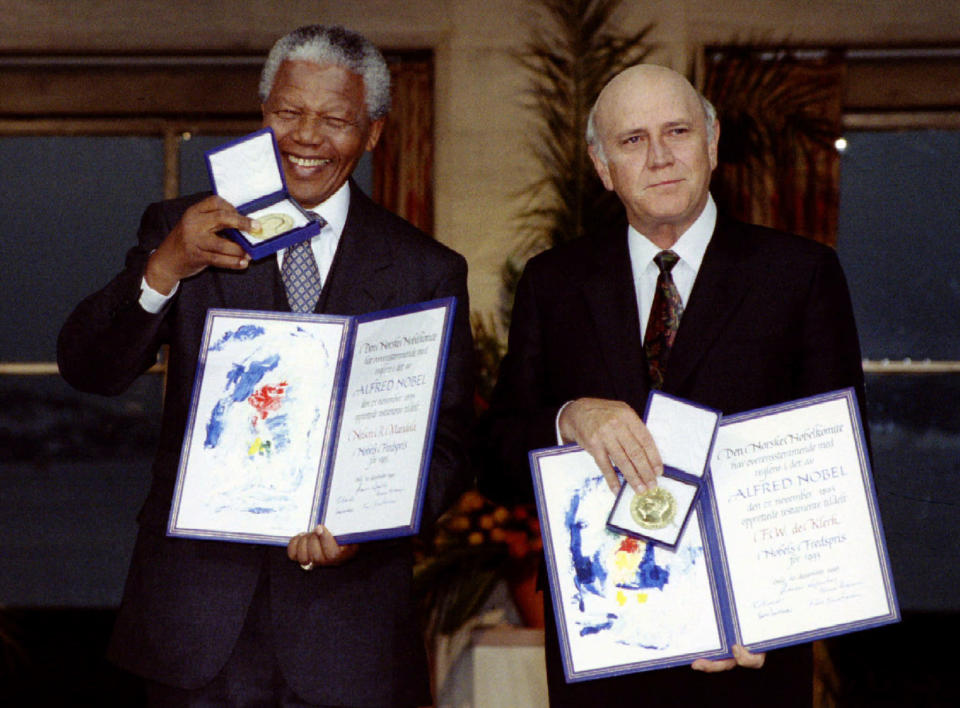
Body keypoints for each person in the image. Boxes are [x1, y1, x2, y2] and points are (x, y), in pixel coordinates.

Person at [58, 25, 474, 706]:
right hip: (192, 629)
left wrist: (365, 524)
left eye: (335, 119)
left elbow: (451, 443)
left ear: (372, 133)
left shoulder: (426, 270)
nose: (306, 136)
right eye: (287, 112)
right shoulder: (185, 227)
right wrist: (166, 266)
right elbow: (87, 367)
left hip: (350, 634)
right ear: (262, 114)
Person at [481, 64, 866, 706]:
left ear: (712, 142)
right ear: (602, 167)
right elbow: (495, 461)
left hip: (750, 657)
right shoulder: (553, 283)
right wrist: (568, 417)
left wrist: (771, 608)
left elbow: (842, 470)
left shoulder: (800, 275)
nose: (659, 157)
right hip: (604, 652)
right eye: (632, 140)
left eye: (677, 131)